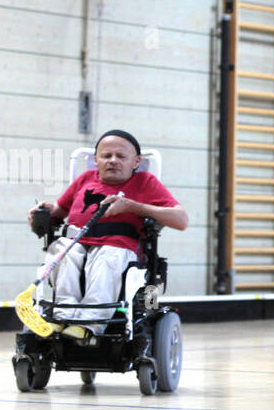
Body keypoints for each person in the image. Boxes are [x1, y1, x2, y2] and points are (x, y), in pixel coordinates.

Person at [27, 129, 188, 338]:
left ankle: (90, 323)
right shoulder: (85, 179)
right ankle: (63, 316)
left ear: (136, 161)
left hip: (118, 245)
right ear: (96, 160)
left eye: (121, 156)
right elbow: (58, 212)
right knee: (62, 251)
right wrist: (44, 212)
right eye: (106, 156)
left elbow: (181, 220)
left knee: (107, 256)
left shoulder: (145, 182)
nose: (113, 160)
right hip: (76, 240)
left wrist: (133, 206)